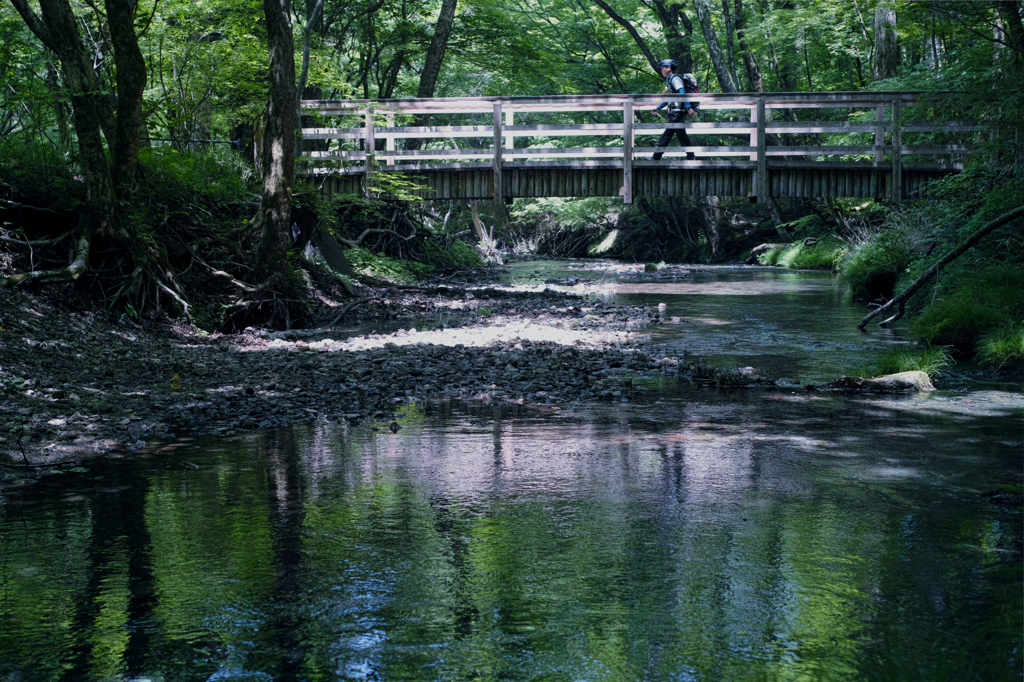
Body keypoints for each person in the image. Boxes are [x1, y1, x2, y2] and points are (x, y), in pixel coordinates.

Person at [650, 58, 697, 160]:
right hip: (678, 111)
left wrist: (689, 108)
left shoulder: (675, 79)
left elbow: (682, 92)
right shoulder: (670, 80)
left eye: (662, 68)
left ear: (669, 68)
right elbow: (670, 99)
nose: (661, 70)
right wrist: (658, 108)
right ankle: (691, 156)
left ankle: (655, 157)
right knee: (681, 135)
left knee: (667, 134)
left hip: (678, 112)